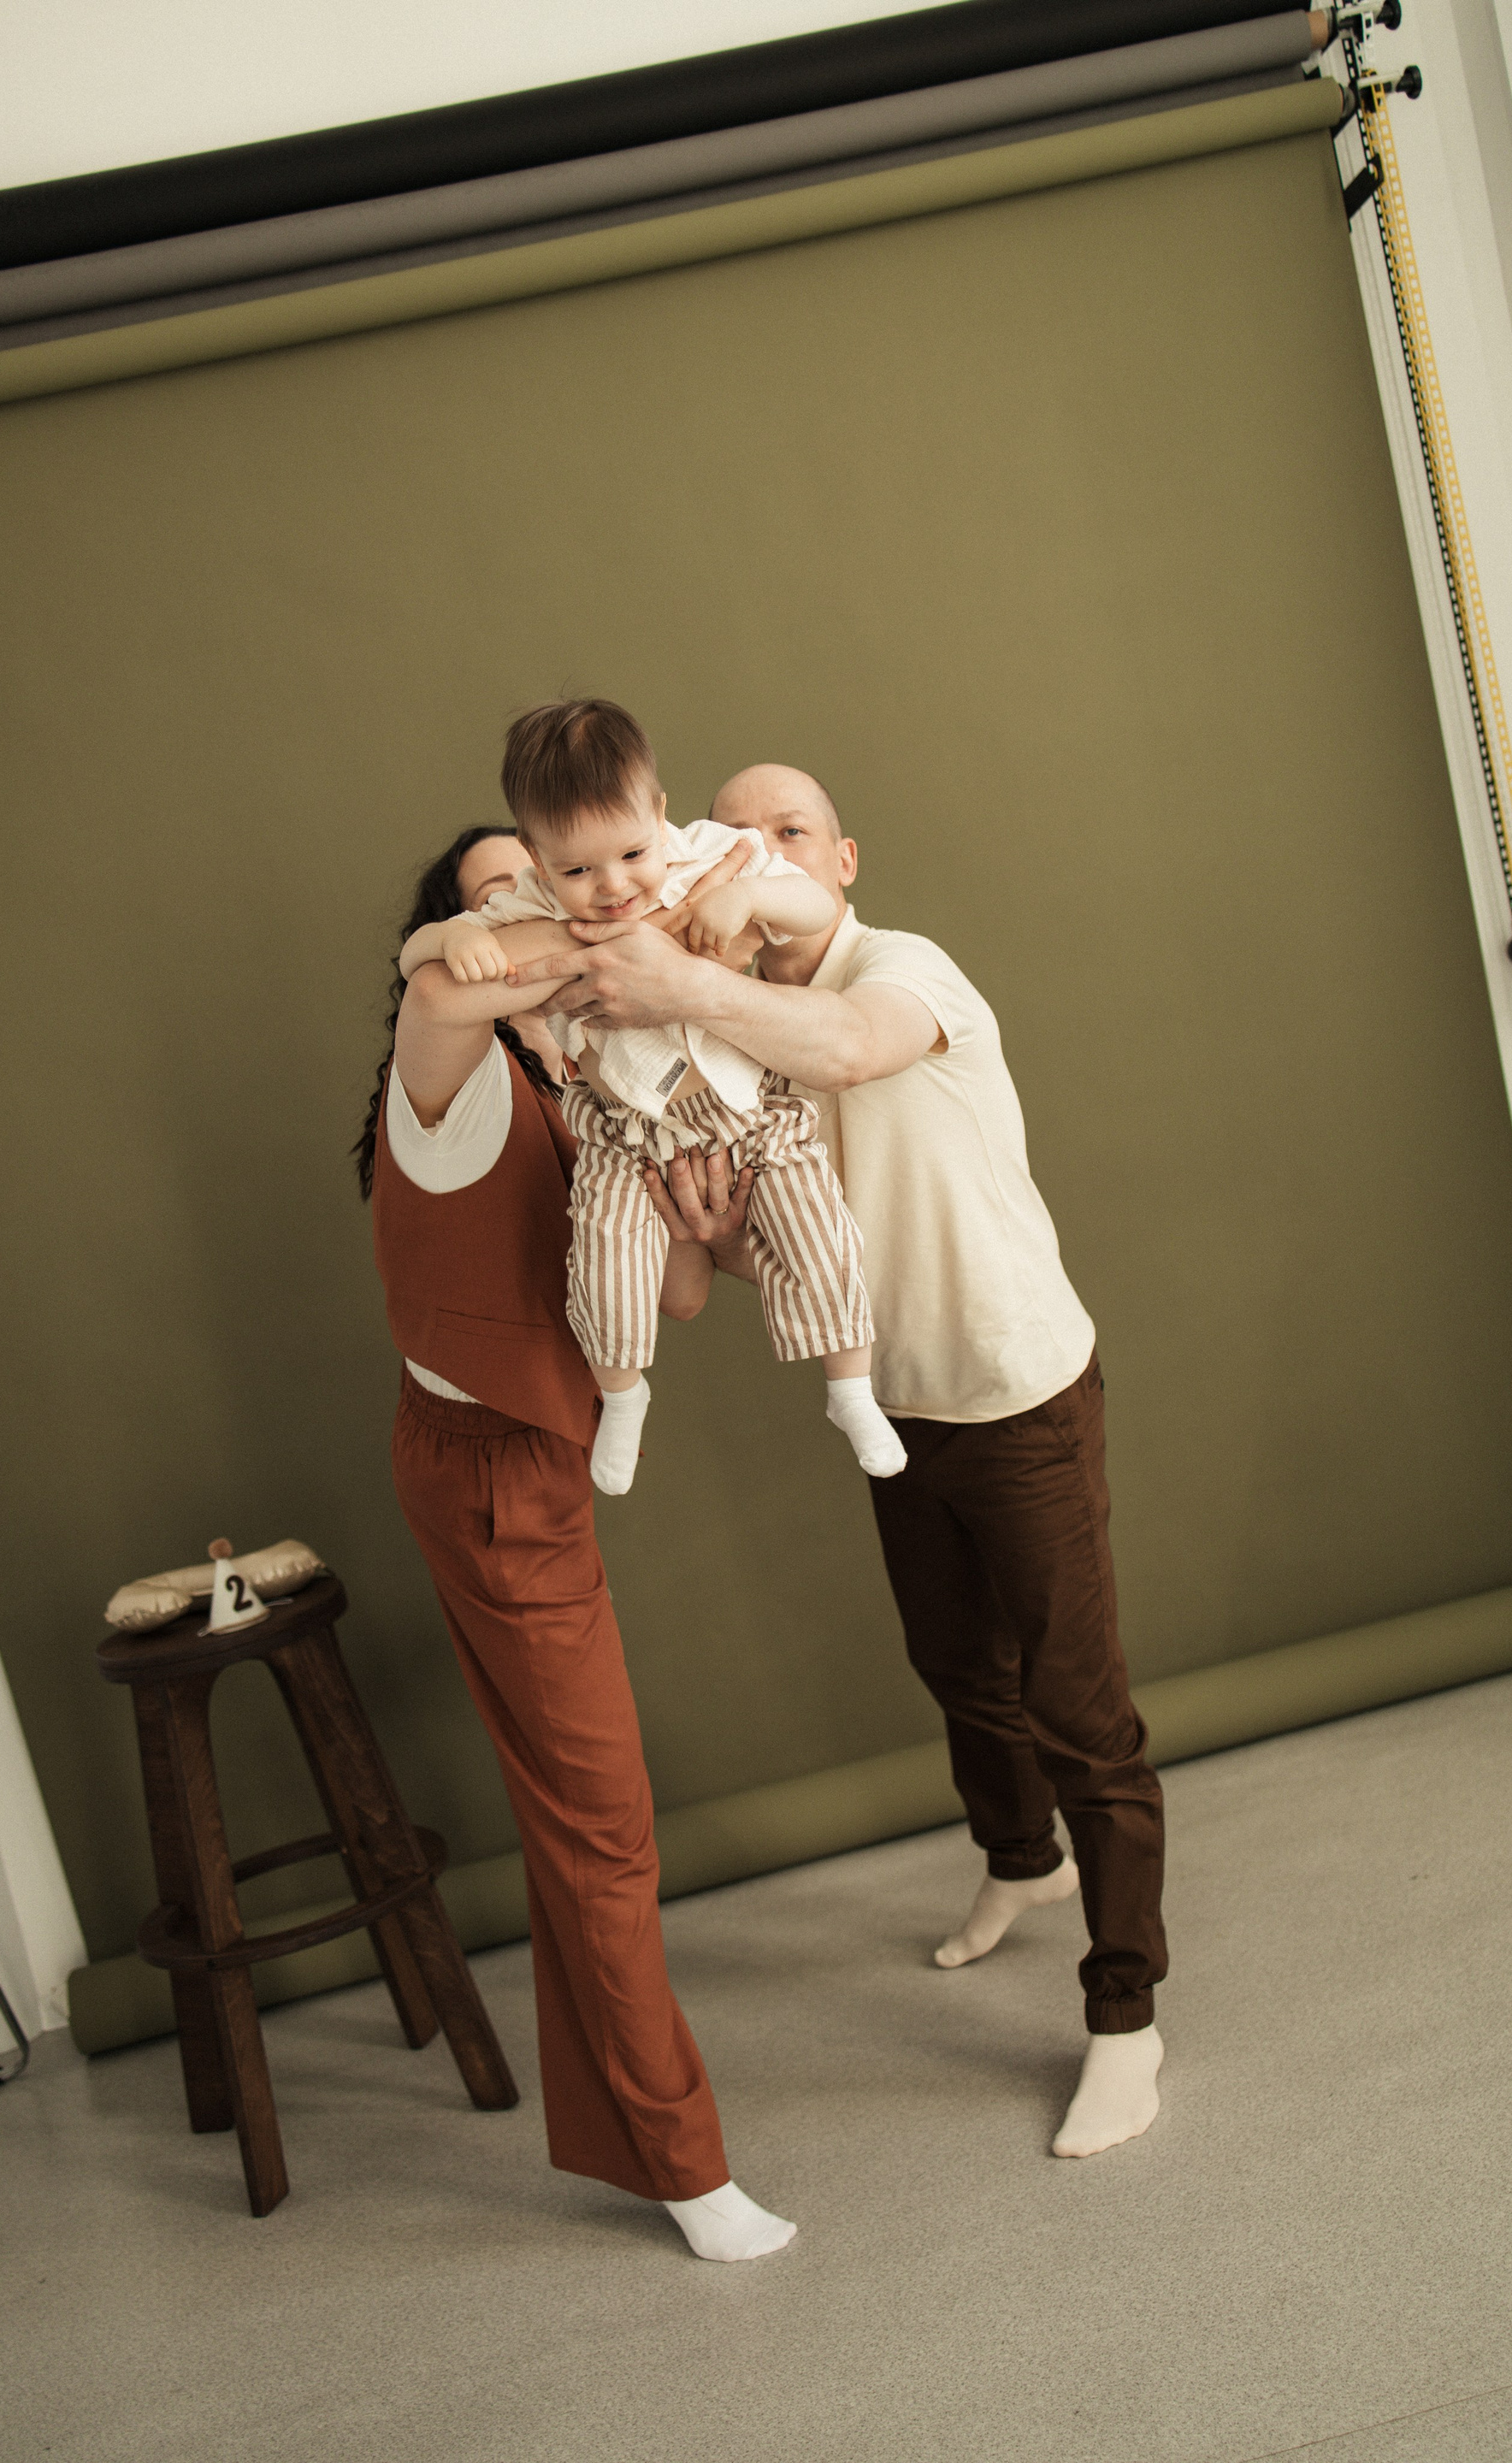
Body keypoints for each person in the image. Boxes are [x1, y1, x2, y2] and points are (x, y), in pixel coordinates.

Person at [507, 766, 1169, 2159]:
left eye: (789, 832)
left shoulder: (905, 969)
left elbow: (858, 1049)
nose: (759, 852)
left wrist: (686, 985)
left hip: (1019, 1395)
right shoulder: (726, 1039)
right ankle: (1022, 1864)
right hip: (898, 1408)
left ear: (840, 861)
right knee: (956, 1666)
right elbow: (802, 1255)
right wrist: (711, 1228)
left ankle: (1126, 2016)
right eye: (736, 833)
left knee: (1079, 1712)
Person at [354, 821, 795, 2259]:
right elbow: (448, 981)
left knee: (581, 1826)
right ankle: (680, 2165)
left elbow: (671, 1300)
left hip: (539, 1460)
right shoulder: (447, 1064)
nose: (546, 910)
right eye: (506, 892)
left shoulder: (580, 1075)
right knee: (604, 1831)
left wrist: (701, 1222)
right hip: (492, 1474)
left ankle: (626, 2131)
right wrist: (647, 921)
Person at [399, 700, 906, 1496]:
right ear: (537, 858)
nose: (613, 887)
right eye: (578, 871)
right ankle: (624, 1395)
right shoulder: (530, 903)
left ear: (660, 814)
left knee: (821, 1233)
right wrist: (456, 935)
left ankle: (850, 1389)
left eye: (634, 853)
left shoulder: (708, 856)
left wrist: (750, 899)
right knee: (604, 1264)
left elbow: (812, 904)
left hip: (743, 1112)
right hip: (626, 1135)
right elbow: (422, 965)